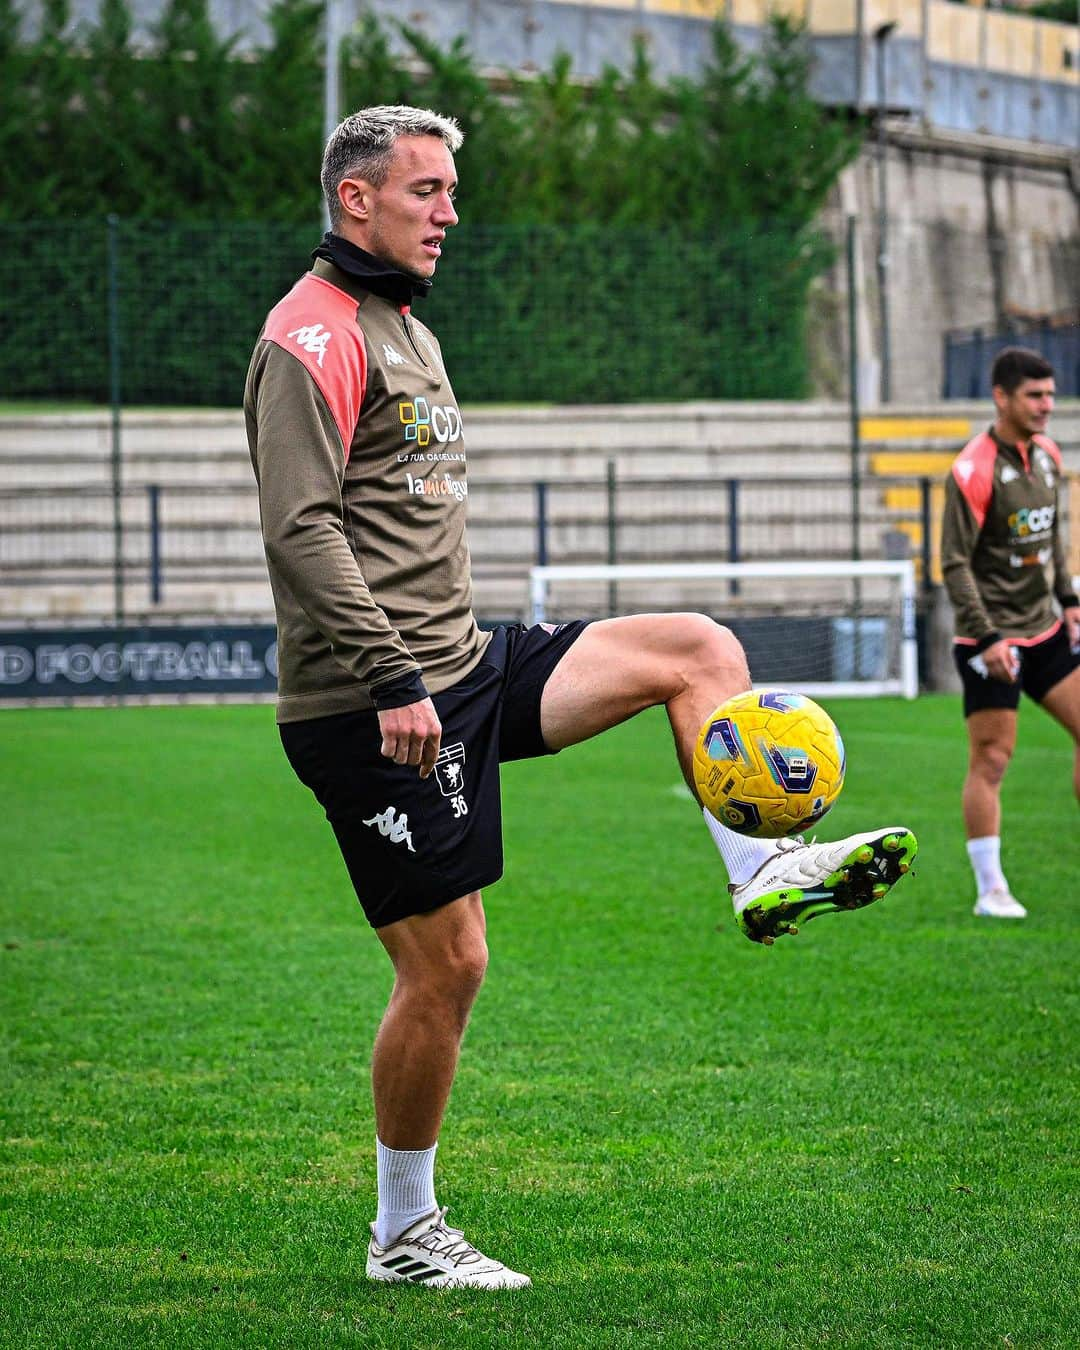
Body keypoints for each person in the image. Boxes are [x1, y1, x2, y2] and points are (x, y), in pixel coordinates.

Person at [244, 104, 918, 1290]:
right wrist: (395, 675)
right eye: (428, 191)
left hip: (467, 664)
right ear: (356, 198)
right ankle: (404, 1235)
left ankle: (767, 873)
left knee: (695, 649)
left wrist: (438, 661)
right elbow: (301, 531)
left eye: (452, 190)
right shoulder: (310, 338)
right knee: (448, 967)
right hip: (374, 703)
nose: (452, 211)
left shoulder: (405, 327)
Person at [940, 346, 1080, 919]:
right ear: (1002, 397)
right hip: (989, 639)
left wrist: (1069, 600)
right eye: (1035, 395)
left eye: (1050, 394)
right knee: (993, 760)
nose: (1047, 405)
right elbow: (953, 563)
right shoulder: (972, 469)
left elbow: (1053, 540)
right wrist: (990, 637)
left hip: (1044, 630)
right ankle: (990, 889)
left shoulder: (1047, 454)